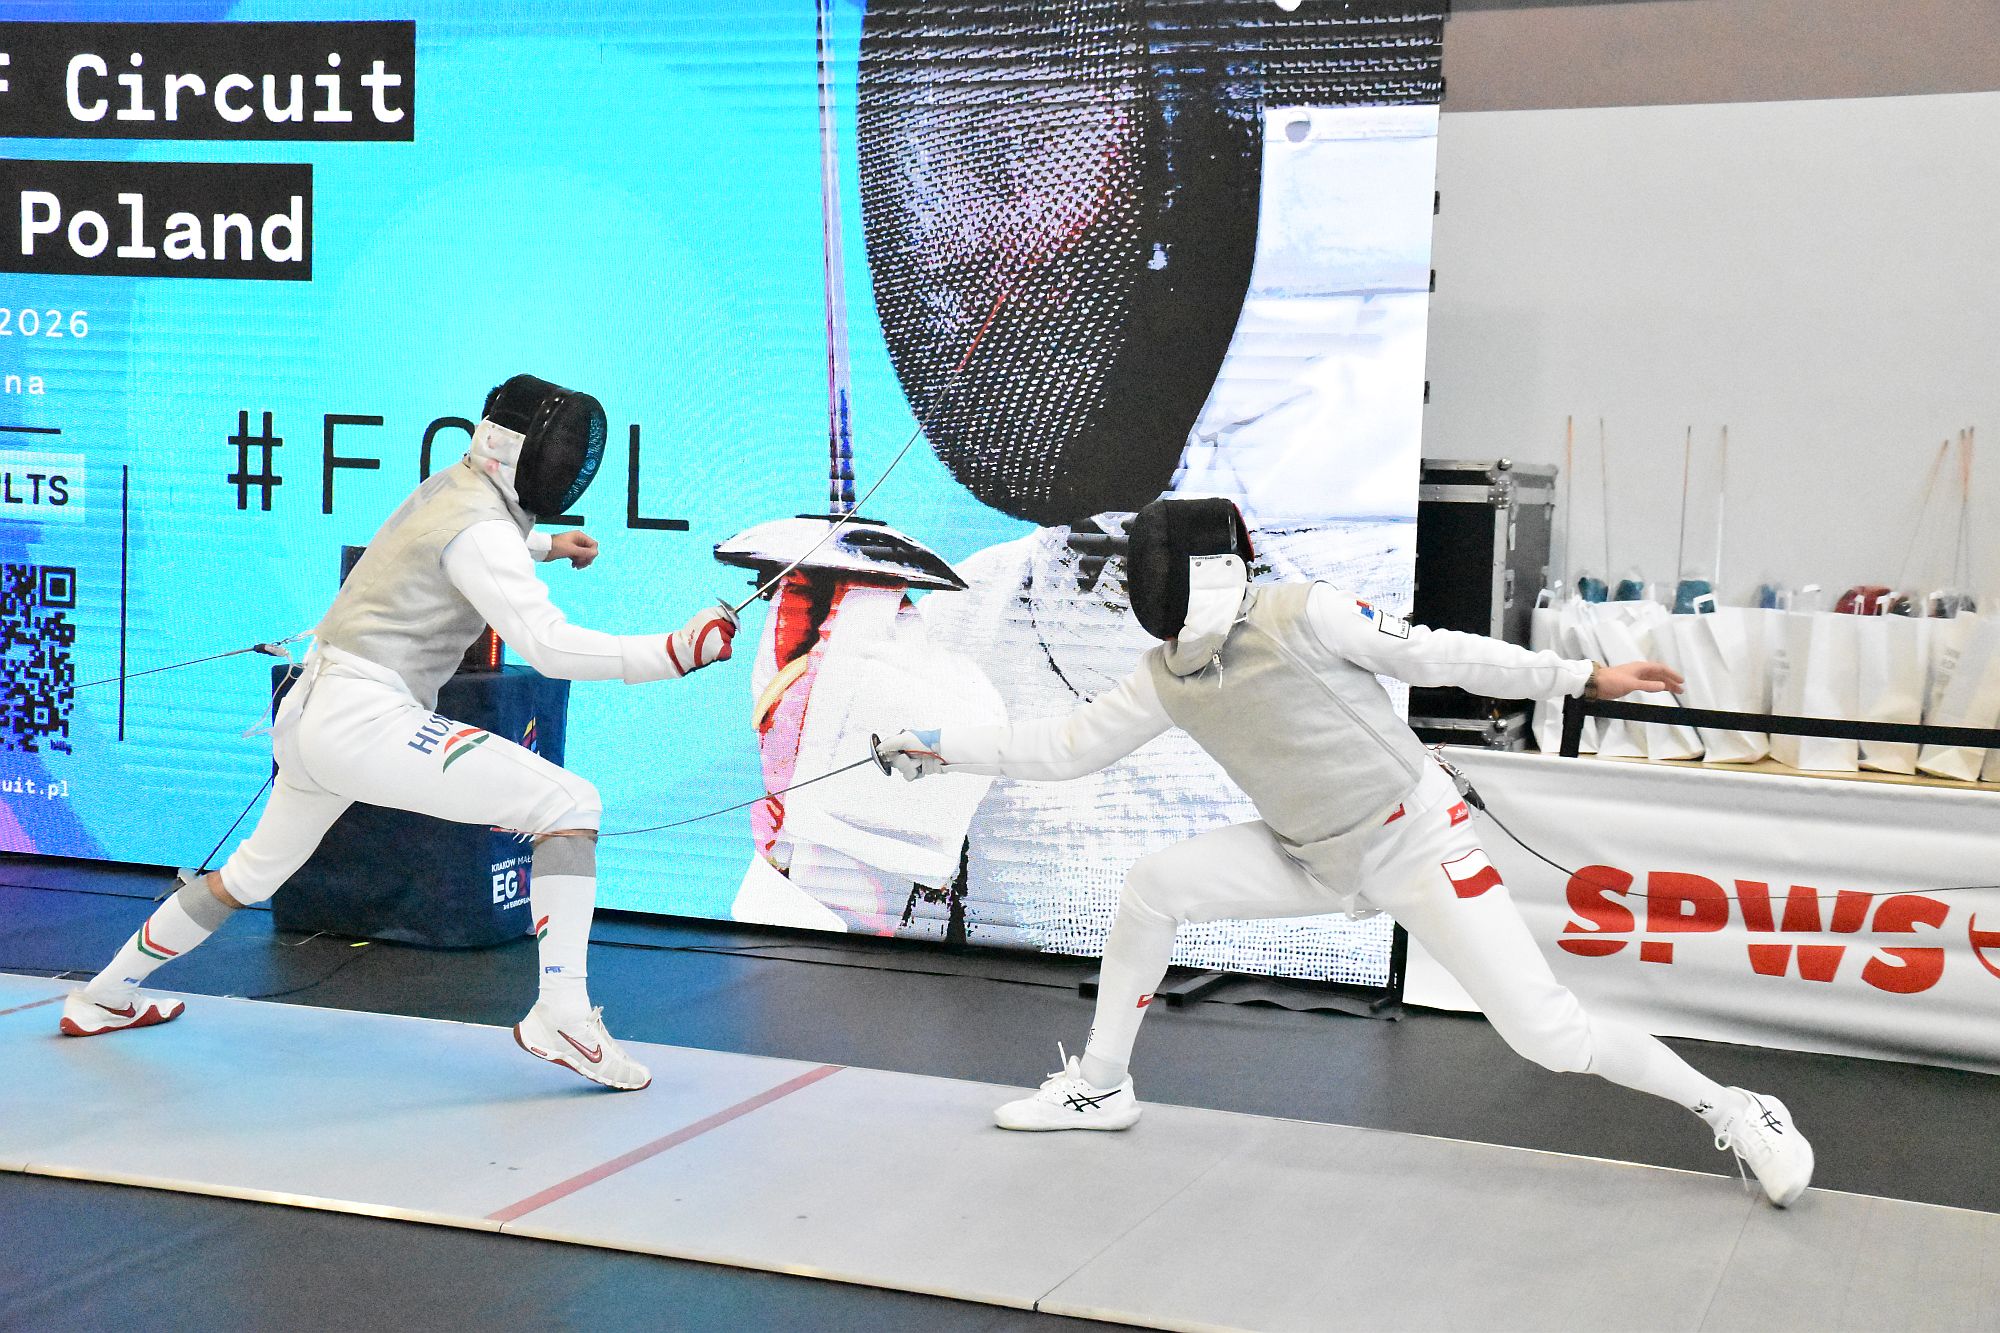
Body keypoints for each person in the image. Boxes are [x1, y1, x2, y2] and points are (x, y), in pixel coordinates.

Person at [878, 495, 1814, 1205]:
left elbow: (1438, 654)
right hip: (1309, 856)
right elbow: (1060, 748)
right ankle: (1100, 1086)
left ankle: (1738, 1110)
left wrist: (1578, 675)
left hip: (1417, 841)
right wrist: (938, 747)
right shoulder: (1168, 675)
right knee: (1154, 887)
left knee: (1550, 1035)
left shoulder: (1307, 611)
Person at [60, 375, 738, 1092]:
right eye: (559, 452)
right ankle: (561, 1013)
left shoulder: (451, 486)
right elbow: (547, 645)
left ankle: (104, 995)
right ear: (523, 455)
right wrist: (671, 653)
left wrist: (546, 545)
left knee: (250, 875)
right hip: (364, 717)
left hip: (311, 713)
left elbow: (474, 540)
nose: (567, 465)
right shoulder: (481, 529)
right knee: (570, 803)